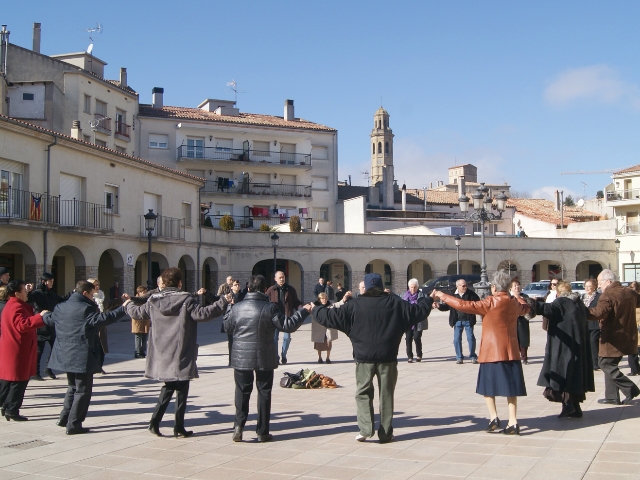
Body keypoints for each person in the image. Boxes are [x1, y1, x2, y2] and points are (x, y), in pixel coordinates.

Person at [313, 273, 433, 443]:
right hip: (388, 358)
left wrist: (316, 308)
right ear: (381, 286)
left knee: (363, 393)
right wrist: (427, 299)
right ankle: (385, 433)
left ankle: (365, 429)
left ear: (366, 287)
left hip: (363, 358)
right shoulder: (395, 303)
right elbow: (417, 311)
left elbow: (331, 317)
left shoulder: (355, 305)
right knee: (386, 395)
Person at [125, 267, 229, 437]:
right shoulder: (186, 299)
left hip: (162, 351)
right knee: (179, 387)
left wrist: (128, 304)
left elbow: (137, 313)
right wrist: (221, 302)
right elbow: (202, 314)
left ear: (163, 283)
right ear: (180, 283)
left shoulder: (153, 300)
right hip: (181, 350)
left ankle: (163, 423)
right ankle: (172, 424)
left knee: (172, 386)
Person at [433, 270, 531, 436]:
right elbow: (526, 308)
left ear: (493, 287)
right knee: (511, 388)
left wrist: (443, 296)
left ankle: (493, 417)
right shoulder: (514, 303)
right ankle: (513, 421)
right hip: (511, 352)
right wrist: (516, 295)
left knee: (488, 386)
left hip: (491, 351)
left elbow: (464, 305)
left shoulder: (490, 302)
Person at [224, 275, 312, 442]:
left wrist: (229, 308)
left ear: (248, 289)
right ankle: (262, 432)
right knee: (264, 392)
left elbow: (227, 327)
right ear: (265, 290)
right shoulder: (270, 308)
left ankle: (238, 427)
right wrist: (303, 312)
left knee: (242, 391)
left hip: (242, 356)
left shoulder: (237, 308)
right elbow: (288, 325)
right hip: (264, 355)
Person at [42, 280, 131, 434]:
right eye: (91, 294)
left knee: (72, 387)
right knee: (82, 390)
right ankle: (74, 424)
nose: (92, 298)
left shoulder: (61, 307)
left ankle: (64, 418)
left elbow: (50, 319)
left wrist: (44, 315)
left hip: (65, 354)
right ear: (85, 293)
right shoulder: (86, 309)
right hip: (81, 355)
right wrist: (123, 309)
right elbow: (103, 319)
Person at [535, 281, 594, 418]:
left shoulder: (560, 302)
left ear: (559, 293)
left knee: (564, 374)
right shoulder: (578, 303)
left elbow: (546, 309)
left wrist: (530, 304)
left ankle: (568, 406)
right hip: (578, 347)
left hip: (563, 346)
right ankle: (576, 407)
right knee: (575, 376)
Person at [588, 269, 640, 405]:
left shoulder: (607, 295)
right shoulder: (629, 292)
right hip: (628, 336)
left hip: (612, 338)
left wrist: (580, 311)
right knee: (610, 364)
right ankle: (612, 396)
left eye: (600, 283)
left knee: (604, 364)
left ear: (608, 281)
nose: (598, 286)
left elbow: (598, 313)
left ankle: (630, 388)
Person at [0, 280, 48, 421]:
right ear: (17, 293)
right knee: (18, 382)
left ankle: (7, 407)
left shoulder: (14, 305)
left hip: (16, 347)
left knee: (10, 381)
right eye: (24, 290)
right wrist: (40, 317)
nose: (26, 292)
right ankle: (12, 410)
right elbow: (22, 325)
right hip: (17, 349)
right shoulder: (16, 307)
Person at [28, 272, 63, 380]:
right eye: (50, 281)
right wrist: (28, 291)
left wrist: (73, 293)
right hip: (41, 324)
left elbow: (61, 300)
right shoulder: (37, 293)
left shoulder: (52, 293)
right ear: (44, 281)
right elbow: (28, 299)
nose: (52, 283)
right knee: (39, 350)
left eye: (53, 281)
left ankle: (48, 367)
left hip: (51, 324)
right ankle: (35, 372)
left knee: (55, 348)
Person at [437, 279, 480, 365]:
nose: (465, 287)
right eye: (463, 286)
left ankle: (472, 356)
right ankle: (459, 357)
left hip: (468, 320)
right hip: (457, 320)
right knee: (456, 339)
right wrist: (439, 306)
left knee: (470, 338)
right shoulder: (452, 294)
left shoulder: (471, 294)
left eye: (466, 285)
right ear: (458, 286)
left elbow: (478, 303)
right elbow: (447, 306)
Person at [266, 271, 302, 365]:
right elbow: (266, 304)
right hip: (275, 318)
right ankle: (276, 356)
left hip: (287, 317)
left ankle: (284, 355)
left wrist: (301, 308)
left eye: (283, 277)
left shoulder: (290, 289)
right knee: (274, 338)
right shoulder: (271, 290)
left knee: (287, 338)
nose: (282, 279)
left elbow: (296, 302)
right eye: (280, 277)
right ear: (275, 279)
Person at [311, 291, 346, 364]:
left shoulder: (330, 305)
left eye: (325, 298)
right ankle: (320, 358)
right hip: (319, 329)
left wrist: (344, 299)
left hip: (328, 328)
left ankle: (328, 358)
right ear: (319, 299)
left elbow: (338, 304)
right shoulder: (316, 307)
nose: (324, 300)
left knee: (328, 344)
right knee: (319, 344)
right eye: (322, 298)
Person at [402, 279, 429, 363]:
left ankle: (419, 355)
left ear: (417, 287)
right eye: (411, 287)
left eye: (414, 287)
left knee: (417, 338)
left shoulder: (422, 295)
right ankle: (410, 356)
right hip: (408, 320)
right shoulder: (404, 296)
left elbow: (426, 306)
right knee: (408, 338)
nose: (413, 289)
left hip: (418, 320)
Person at [87, 278, 108, 374]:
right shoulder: (88, 298)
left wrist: (121, 301)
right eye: (95, 285)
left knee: (101, 348)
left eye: (98, 285)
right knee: (93, 348)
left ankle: (100, 366)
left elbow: (109, 304)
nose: (97, 287)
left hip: (101, 326)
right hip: (92, 327)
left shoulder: (102, 296)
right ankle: (93, 366)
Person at [510, 279, 530, 365]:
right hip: (512, 320)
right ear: (511, 288)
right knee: (513, 339)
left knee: (523, 339)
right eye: (515, 285)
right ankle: (514, 357)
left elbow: (530, 308)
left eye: (518, 285)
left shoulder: (525, 296)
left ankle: (524, 357)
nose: (517, 287)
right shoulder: (508, 297)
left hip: (523, 320)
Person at [582, 279, 601, 371]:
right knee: (586, 343)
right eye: (586, 286)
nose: (587, 288)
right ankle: (588, 362)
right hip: (585, 324)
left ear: (594, 287)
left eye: (589, 286)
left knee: (593, 342)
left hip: (595, 324)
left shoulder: (599, 297)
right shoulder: (582, 297)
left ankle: (596, 363)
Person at [131, 286, 149, 358]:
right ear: (139, 293)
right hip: (137, 319)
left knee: (145, 335)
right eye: (144, 292)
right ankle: (137, 352)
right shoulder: (135, 300)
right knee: (138, 336)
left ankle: (142, 351)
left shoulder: (146, 299)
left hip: (145, 319)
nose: (145, 294)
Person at [627, 281, 640, 376]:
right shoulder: (628, 300)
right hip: (631, 328)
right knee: (632, 350)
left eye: (634, 289)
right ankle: (634, 369)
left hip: (638, 327)